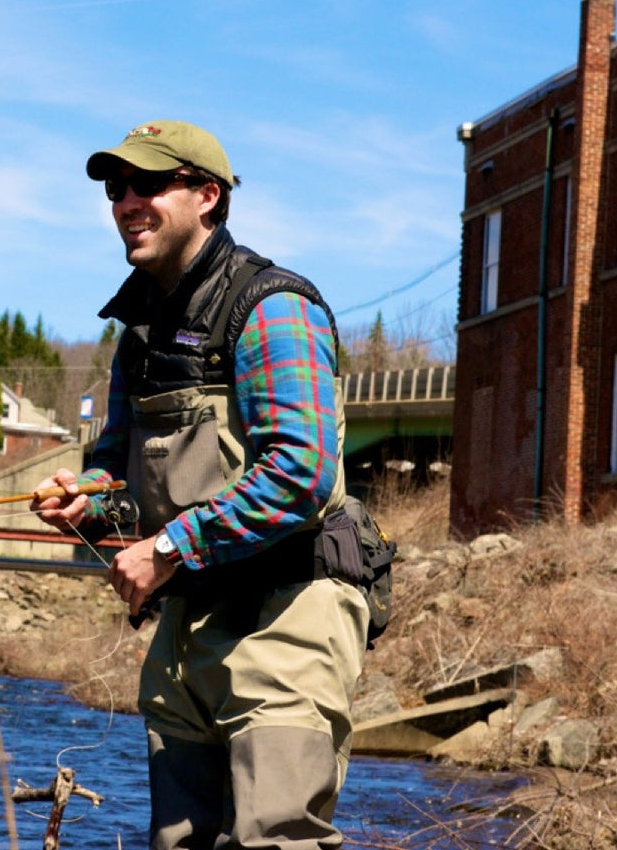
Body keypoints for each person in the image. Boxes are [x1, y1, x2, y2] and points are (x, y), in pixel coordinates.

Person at [31, 120, 366, 849]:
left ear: (208, 195)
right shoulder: (138, 331)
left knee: (274, 840)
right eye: (117, 189)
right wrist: (87, 499)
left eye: (149, 184)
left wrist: (168, 548)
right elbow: (118, 468)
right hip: (188, 627)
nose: (127, 202)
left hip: (289, 617)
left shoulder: (272, 306)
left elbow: (301, 474)